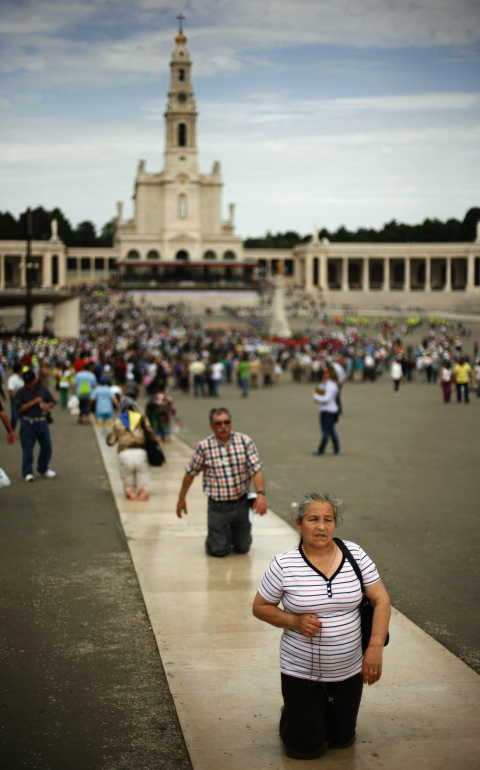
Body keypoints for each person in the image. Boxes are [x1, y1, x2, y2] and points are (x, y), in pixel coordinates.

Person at [252, 492, 391, 760]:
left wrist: (375, 648)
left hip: (350, 672)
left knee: (342, 741)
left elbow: (381, 599)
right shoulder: (283, 564)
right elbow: (260, 608)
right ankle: (292, 716)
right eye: (313, 519)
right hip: (302, 674)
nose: (321, 526)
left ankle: (316, 716)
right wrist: (294, 620)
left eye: (328, 519)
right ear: (298, 524)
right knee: (306, 750)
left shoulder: (355, 555)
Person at [176, 407, 268, 557]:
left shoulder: (244, 441)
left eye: (226, 422)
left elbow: (256, 469)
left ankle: (230, 535)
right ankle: (215, 539)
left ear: (231, 423)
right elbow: (190, 472)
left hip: (241, 504)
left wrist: (261, 494)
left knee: (243, 548)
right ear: (211, 425)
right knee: (218, 551)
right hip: (217, 507)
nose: (223, 426)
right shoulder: (204, 447)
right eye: (218, 423)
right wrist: (181, 498)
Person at [106, 396, 157, 501]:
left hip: (124, 454)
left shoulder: (118, 421)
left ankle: (131, 493)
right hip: (141, 452)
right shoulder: (142, 418)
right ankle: (143, 493)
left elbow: (110, 441)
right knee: (143, 481)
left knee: (128, 483)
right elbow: (151, 434)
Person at [15, 369, 56, 482]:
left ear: (34, 380)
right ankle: (27, 472)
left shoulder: (42, 389)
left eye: (30, 381)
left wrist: (48, 405)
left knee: (47, 446)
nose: (28, 384)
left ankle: (42, 468)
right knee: (27, 449)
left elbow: (52, 401)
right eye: (26, 382)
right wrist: (33, 402)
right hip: (27, 423)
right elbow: (19, 409)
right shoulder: (20, 392)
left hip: (42, 422)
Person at [312, 365, 340, 455]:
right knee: (331, 430)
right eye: (323, 372)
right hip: (330, 410)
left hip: (327, 410)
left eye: (326, 372)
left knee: (326, 432)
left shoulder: (331, 385)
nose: (324, 374)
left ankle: (321, 449)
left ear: (330, 373)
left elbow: (326, 399)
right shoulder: (330, 383)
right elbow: (322, 389)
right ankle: (336, 448)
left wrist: (315, 396)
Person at [7, 362, 24, 431]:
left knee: (22, 416)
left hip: (22, 399)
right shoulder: (12, 379)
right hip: (16, 399)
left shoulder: (20, 378)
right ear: (19, 370)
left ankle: (23, 431)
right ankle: (11, 430)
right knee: (15, 416)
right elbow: (10, 391)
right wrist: (16, 400)